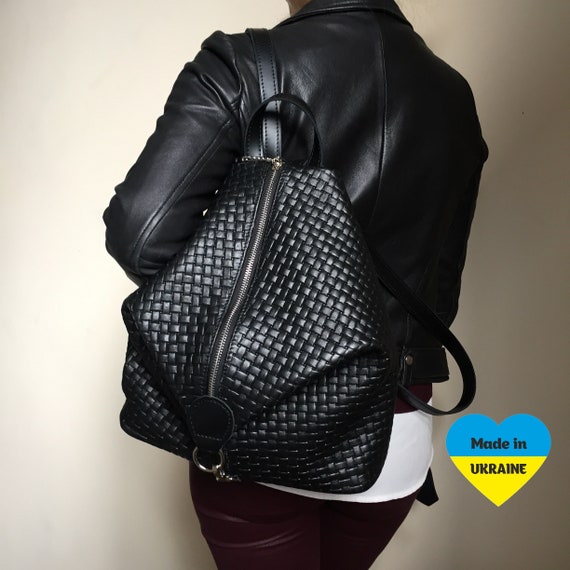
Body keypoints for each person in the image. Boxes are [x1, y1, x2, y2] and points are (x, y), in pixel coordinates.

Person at [103, 0, 488, 568]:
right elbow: (442, 286)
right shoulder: (454, 96)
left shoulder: (244, 64)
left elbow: (140, 235)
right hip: (396, 434)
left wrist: (260, 323)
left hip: (258, 423)